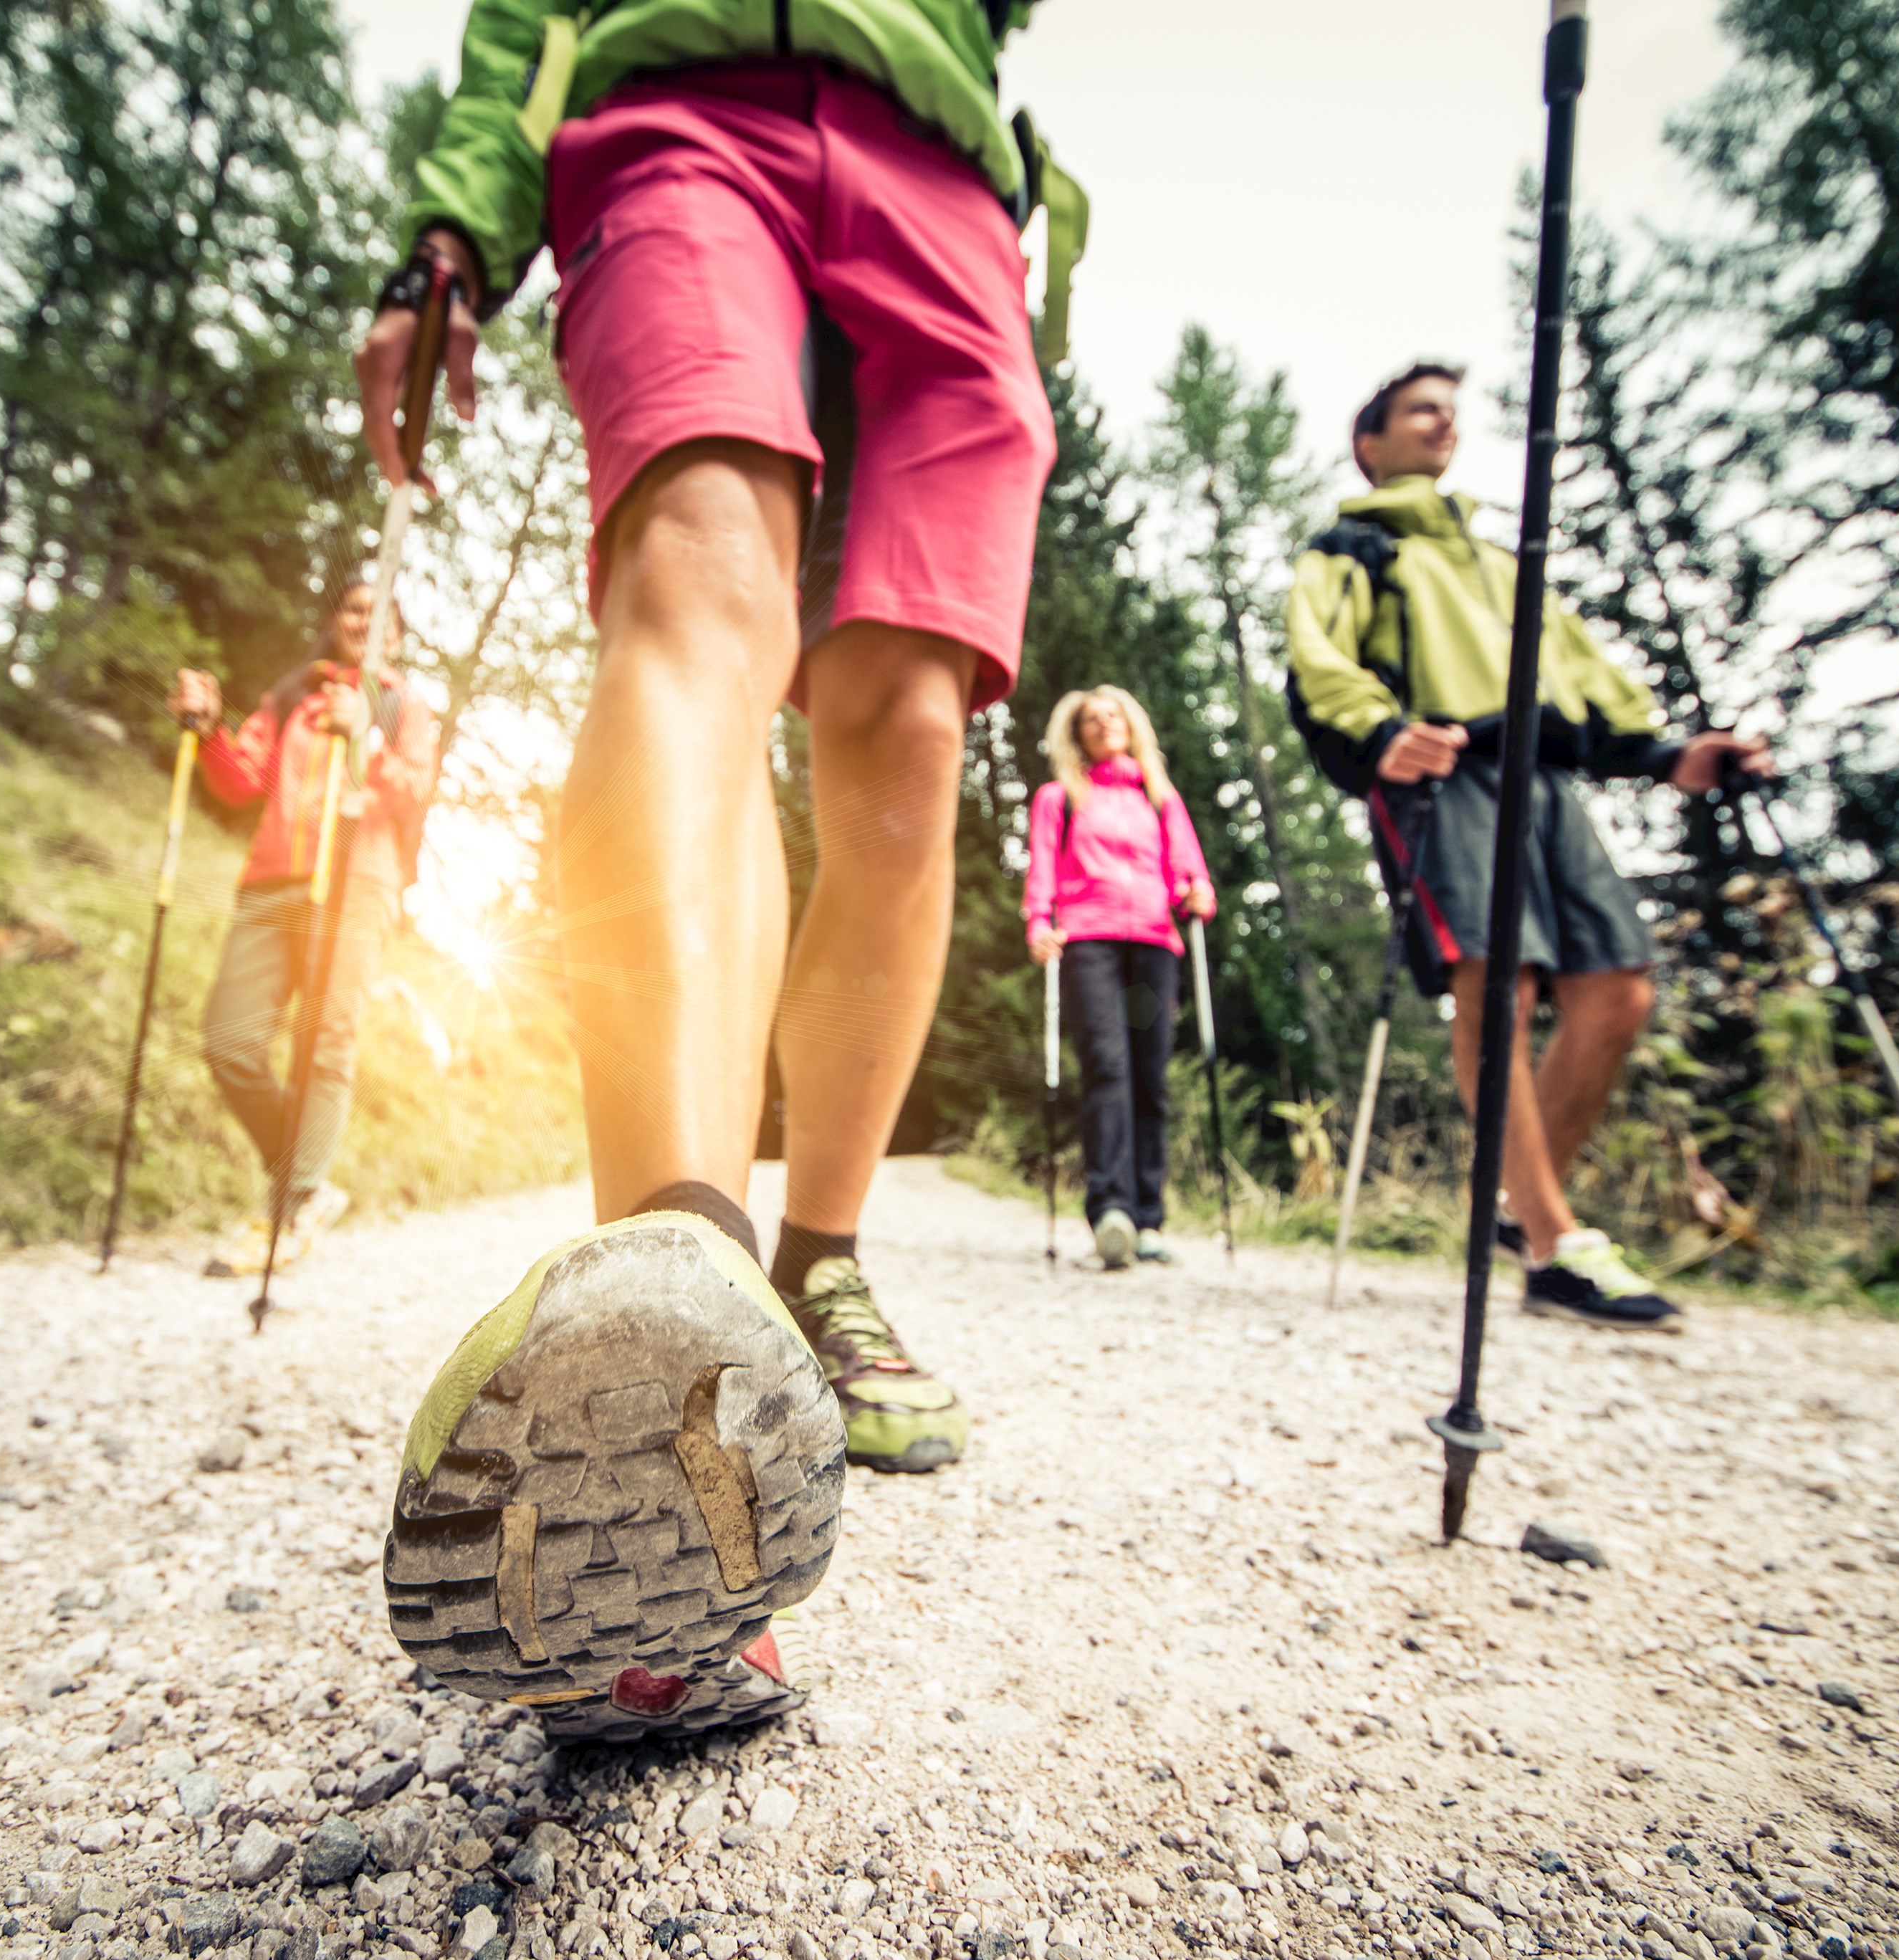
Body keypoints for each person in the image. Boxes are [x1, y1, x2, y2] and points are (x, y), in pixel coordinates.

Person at [359, 1, 1081, 1742]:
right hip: (678, 112)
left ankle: (814, 1260)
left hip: (948, 184)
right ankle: (676, 1278)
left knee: (909, 721)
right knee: (702, 583)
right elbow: (523, 19)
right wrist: (454, 223)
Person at [1285, 363, 1771, 1332]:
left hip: (1545, 775)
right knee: (1495, 980)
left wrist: (1666, 751)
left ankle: (1516, 1207)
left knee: (1618, 984)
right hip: (1443, 769)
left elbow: (1582, 671)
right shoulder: (1355, 545)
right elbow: (1318, 657)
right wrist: (1380, 732)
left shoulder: (1508, 563)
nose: (1443, 427)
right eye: (1421, 411)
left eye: (1452, 415)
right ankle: (1555, 1239)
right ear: (1368, 442)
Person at [173, 579, 440, 1279]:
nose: (363, 618)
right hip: (272, 883)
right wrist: (205, 731)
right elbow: (240, 781)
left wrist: (368, 740)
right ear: (336, 621)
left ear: (397, 635)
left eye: (378, 611)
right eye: (353, 607)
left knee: (325, 1042)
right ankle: (310, 1183)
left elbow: (415, 792)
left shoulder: (402, 705)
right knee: (229, 1040)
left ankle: (288, 1211)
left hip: (356, 882)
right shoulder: (296, 693)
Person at [1023, 687, 1217, 1270]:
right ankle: (1112, 1210)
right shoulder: (1060, 797)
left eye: (1113, 716)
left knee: (1148, 1075)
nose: (1103, 724)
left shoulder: (1161, 799)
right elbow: (1042, 867)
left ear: (1131, 726)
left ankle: (1149, 1218)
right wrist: (1039, 922)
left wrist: (1198, 892)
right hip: (1091, 944)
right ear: (1076, 734)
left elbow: (1191, 870)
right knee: (1107, 1067)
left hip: (1155, 945)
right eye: (1090, 719)